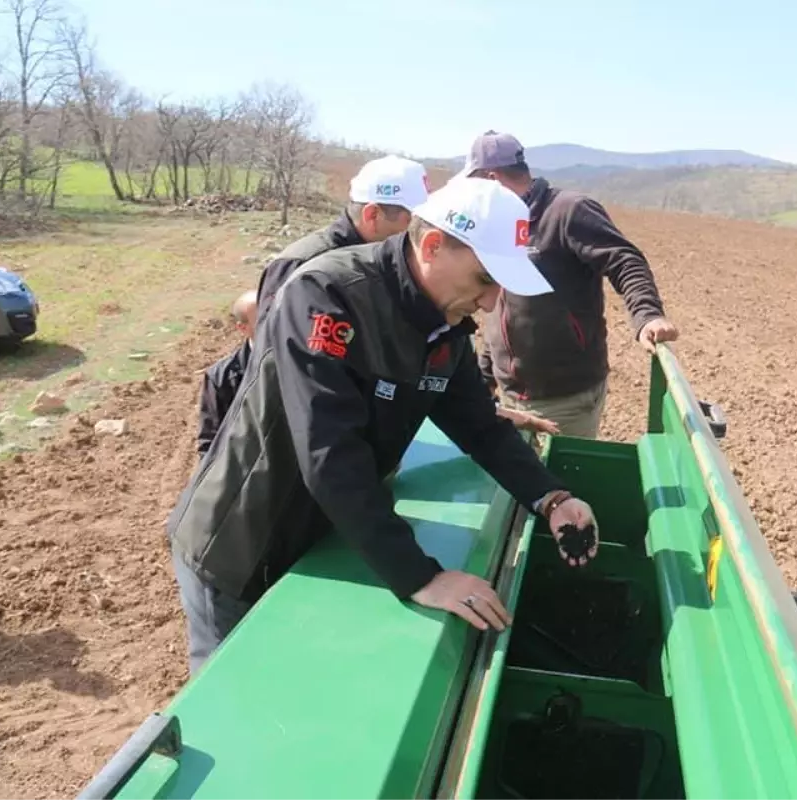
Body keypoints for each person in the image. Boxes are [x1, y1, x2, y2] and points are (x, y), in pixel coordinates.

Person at [164, 177, 600, 675]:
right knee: (235, 684)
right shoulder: (327, 295)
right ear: (432, 246)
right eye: (484, 279)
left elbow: (480, 425)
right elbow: (330, 453)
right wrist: (421, 576)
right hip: (245, 539)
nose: (489, 303)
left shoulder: (442, 327)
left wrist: (551, 498)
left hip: (325, 535)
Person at [458, 131, 680, 438]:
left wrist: (648, 315)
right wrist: (487, 372)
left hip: (562, 398)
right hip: (508, 392)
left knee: (554, 468)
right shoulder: (499, 223)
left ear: (492, 179)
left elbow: (624, 260)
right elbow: (504, 308)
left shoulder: (567, 211)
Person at [254, 154, 431, 325]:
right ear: (372, 216)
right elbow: (273, 342)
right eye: (413, 222)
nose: (419, 233)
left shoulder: (396, 267)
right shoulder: (300, 267)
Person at [195, 289, 257, 456]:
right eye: (262, 319)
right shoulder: (220, 378)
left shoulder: (299, 361)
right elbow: (210, 442)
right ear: (243, 328)